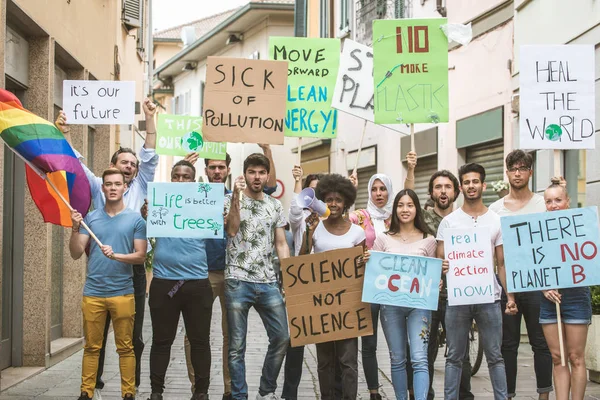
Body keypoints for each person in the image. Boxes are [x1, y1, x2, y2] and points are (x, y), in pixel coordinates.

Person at [56, 100, 159, 390]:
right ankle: (94, 384)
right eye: (124, 162)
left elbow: (149, 153)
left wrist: (150, 119)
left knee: (133, 336)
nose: (129, 167)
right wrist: (64, 132)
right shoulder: (97, 185)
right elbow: (73, 161)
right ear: (112, 169)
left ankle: (132, 387)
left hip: (133, 273)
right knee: (95, 337)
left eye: (133, 164)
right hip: (100, 269)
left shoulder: (141, 186)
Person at [184, 151, 279, 399]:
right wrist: (185, 165)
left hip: (230, 273)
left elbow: (269, 186)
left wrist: (267, 149)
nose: (217, 171)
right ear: (205, 171)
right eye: (212, 167)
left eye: (221, 167)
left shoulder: (236, 196)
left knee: (232, 337)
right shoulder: (195, 195)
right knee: (195, 332)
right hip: (200, 272)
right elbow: (175, 200)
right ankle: (199, 388)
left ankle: (229, 389)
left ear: (228, 170)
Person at [437, 163, 517, 400]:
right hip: (457, 299)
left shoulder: (495, 220)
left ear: (483, 185)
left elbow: (501, 263)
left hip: (489, 299)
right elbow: (439, 260)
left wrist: (509, 296)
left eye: (476, 182)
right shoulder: (449, 222)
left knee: (495, 356)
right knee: (454, 357)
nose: (471, 186)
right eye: (467, 182)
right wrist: (441, 268)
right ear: (461, 187)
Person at [69, 168, 147, 400]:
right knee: (92, 346)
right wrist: (75, 228)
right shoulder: (91, 218)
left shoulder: (135, 219)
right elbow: (75, 252)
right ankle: (86, 392)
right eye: (108, 184)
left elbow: (141, 256)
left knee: (125, 347)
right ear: (102, 188)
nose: (113, 188)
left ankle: (128, 393)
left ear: (124, 187)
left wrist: (117, 256)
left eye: (117, 184)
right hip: (93, 293)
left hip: (123, 292)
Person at [142, 160, 213, 400]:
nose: (181, 181)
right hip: (164, 283)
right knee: (161, 341)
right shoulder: (160, 203)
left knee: (200, 341)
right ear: (171, 179)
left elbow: (229, 227)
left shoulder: (206, 206)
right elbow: (146, 230)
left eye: (186, 177)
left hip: (197, 283)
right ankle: (155, 392)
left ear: (193, 181)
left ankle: (201, 392)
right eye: (177, 176)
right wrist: (146, 215)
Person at [405, 153, 472, 400]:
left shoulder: (465, 220)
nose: (443, 191)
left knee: (461, 352)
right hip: (427, 295)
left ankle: (463, 396)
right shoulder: (421, 218)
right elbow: (406, 198)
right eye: (437, 187)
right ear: (431, 193)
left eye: (447, 187)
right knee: (425, 350)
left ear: (456, 192)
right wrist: (411, 170)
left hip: (459, 296)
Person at [225, 153, 291, 400]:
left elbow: (281, 243)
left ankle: (266, 391)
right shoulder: (232, 199)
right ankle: (240, 395)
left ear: (267, 175)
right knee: (236, 347)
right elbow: (231, 230)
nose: (257, 177)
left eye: (261, 172)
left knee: (282, 337)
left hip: (267, 281)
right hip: (237, 280)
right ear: (245, 174)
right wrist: (234, 197)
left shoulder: (274, 205)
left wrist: (290, 275)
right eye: (252, 172)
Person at [489, 150, 553, 400]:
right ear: (507, 173)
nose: (518, 173)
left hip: (539, 284)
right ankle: (509, 395)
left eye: (523, 168)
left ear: (530, 172)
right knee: (508, 345)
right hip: (507, 285)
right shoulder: (495, 210)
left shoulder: (542, 204)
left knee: (541, 343)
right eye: (513, 168)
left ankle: (544, 395)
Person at [300, 173, 366, 400]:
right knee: (325, 361)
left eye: (338, 200)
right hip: (322, 306)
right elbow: (300, 262)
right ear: (321, 201)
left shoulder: (358, 233)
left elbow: (362, 267)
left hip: (348, 306)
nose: (334, 204)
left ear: (346, 202)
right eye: (329, 199)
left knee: (348, 361)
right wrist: (308, 234)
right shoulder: (315, 228)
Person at [372, 189, 442, 400]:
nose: (405, 209)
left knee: (420, 358)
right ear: (394, 210)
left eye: (410, 205)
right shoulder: (382, 240)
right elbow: (374, 272)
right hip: (390, 306)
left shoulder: (429, 240)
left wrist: (437, 281)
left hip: (419, 306)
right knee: (397, 359)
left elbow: (433, 272)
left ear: (416, 209)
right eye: (400, 205)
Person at [540, 178, 592, 400]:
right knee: (557, 356)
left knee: (576, 356)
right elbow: (530, 265)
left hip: (576, 296)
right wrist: (543, 288)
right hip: (548, 299)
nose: (553, 205)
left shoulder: (582, 226)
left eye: (558, 200)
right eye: (549, 201)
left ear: (568, 201)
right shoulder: (538, 230)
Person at [349, 173, 394, 400]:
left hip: (395, 287)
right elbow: (337, 223)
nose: (379, 193)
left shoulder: (398, 217)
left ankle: (409, 389)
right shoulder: (358, 216)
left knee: (399, 341)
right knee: (369, 341)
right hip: (368, 286)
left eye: (383, 189)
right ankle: (374, 391)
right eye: (375, 189)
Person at [281, 168, 322, 400]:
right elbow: (294, 209)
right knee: (295, 344)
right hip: (302, 285)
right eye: (312, 192)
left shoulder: (334, 218)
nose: (316, 197)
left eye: (320, 192)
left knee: (328, 346)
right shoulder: (301, 219)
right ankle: (290, 394)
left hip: (326, 284)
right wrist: (297, 182)